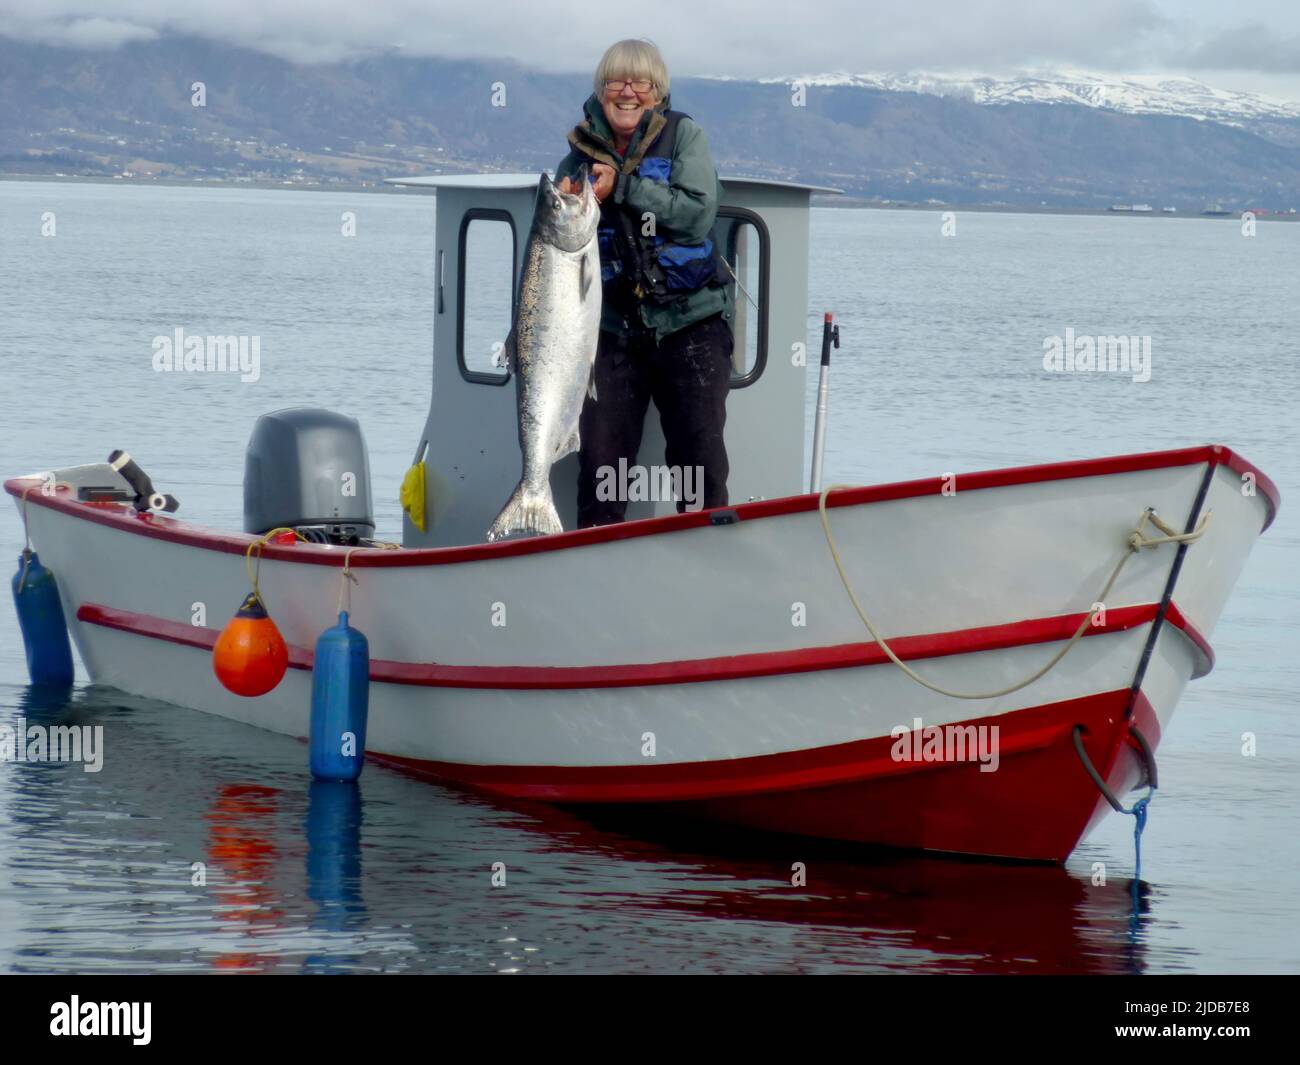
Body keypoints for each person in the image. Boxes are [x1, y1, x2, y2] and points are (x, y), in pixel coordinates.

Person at [555, 38, 735, 527]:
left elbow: (697, 215)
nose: (628, 92)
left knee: (699, 463)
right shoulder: (576, 157)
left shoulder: (684, 137)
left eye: (642, 82)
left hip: (691, 322)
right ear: (601, 88)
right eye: (617, 80)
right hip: (612, 330)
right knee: (600, 468)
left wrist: (626, 188)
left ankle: (708, 562)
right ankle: (593, 570)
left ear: (658, 92)